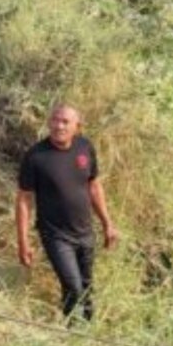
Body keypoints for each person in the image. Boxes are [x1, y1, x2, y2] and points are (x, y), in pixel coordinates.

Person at [16, 105, 119, 322]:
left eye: (65, 122)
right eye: (54, 120)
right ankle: (75, 328)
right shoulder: (35, 156)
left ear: (77, 127)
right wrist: (23, 242)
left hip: (85, 232)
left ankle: (82, 330)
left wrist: (107, 224)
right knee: (73, 285)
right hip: (55, 235)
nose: (58, 126)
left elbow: (94, 187)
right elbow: (24, 199)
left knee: (86, 285)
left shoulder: (85, 148)